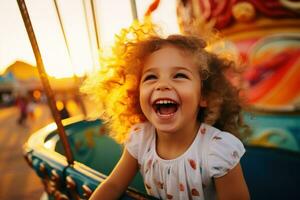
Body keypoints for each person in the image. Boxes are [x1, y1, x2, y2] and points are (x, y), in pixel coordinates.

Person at [83, 24, 250, 200]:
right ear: (136, 93)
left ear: (204, 96)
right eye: (151, 77)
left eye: (179, 75)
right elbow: (113, 185)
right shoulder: (141, 140)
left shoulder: (217, 151)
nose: (162, 85)